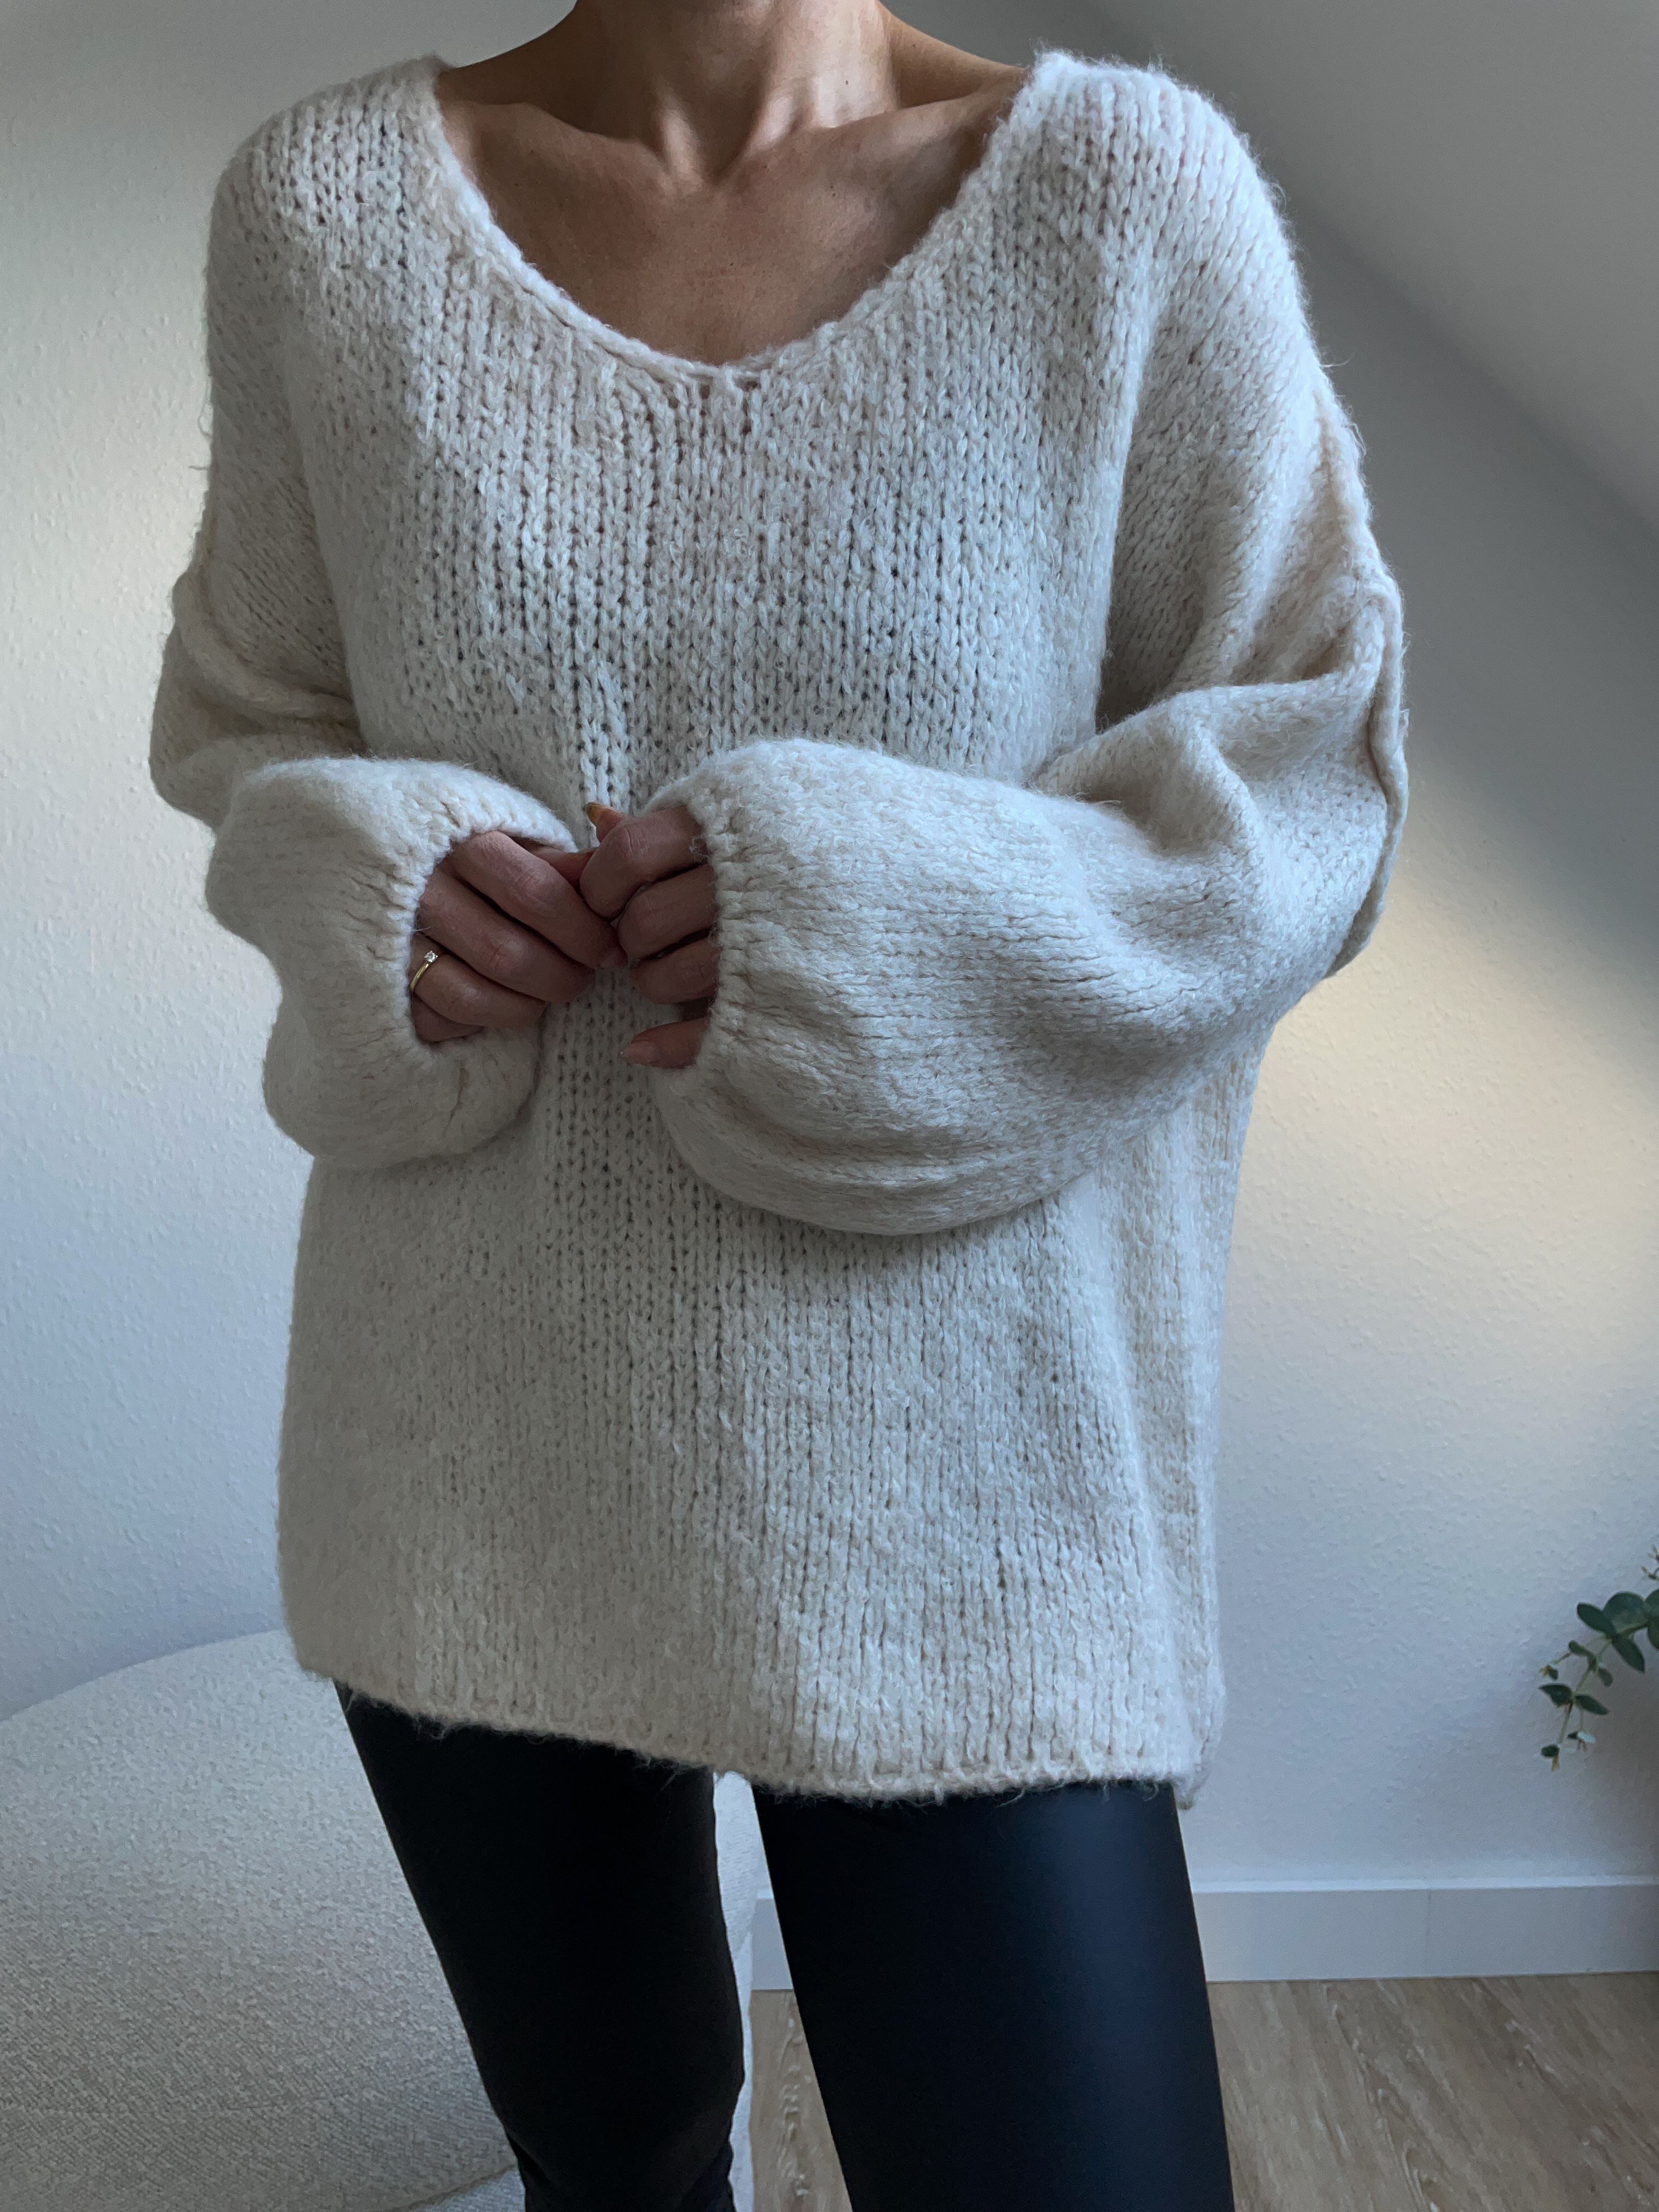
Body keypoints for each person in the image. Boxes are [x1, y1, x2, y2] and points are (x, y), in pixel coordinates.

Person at [148, 3, 1408, 2207]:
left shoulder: (1124, 196)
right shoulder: (322, 215)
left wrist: (880, 925)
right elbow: (246, 714)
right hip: (467, 1446)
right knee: (618, 2167)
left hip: (971, 1478)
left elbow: (1311, 767)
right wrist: (378, 881)